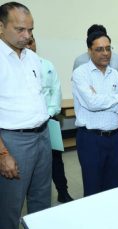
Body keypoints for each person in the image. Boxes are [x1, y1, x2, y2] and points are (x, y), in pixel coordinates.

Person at [0, 2, 52, 229]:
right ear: (1, 27)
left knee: (41, 197)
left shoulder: (32, 58)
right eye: (20, 29)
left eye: (30, 30)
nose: (27, 35)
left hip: (42, 135)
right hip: (13, 141)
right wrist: (3, 154)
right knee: (10, 205)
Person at [72, 31, 118, 197]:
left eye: (108, 48)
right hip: (90, 139)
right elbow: (91, 103)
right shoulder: (80, 73)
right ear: (90, 51)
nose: (105, 53)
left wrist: (102, 99)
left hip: (113, 138)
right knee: (93, 187)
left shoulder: (115, 74)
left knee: (112, 188)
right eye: (99, 49)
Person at [26, 35, 73, 203]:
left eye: (32, 41)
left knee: (56, 160)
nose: (29, 45)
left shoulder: (47, 65)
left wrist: (49, 114)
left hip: (48, 121)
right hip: (25, 126)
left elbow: (56, 91)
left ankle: (63, 191)